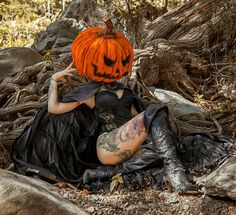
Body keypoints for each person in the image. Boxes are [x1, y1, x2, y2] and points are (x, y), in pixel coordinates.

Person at [11, 17, 195, 192]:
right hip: (108, 144)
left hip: (127, 141)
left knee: (169, 146)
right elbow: (54, 109)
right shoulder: (88, 93)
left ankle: (99, 174)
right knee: (156, 111)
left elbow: (134, 119)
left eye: (120, 60)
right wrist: (53, 80)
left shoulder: (125, 90)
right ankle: (175, 173)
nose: (115, 65)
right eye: (108, 61)